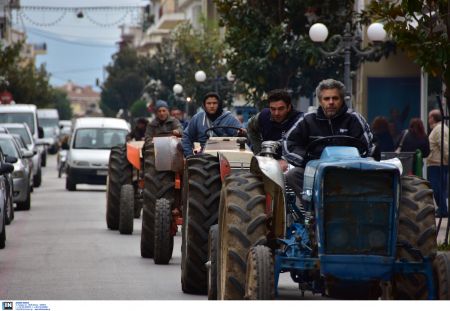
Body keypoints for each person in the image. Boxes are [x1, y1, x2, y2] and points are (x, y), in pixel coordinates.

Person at [282, 78, 375, 200]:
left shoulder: (354, 119)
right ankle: (313, 209)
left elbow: (367, 147)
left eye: (335, 98)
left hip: (350, 172)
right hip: (315, 172)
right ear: (320, 101)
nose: (331, 102)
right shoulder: (307, 120)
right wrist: (306, 160)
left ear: (342, 100)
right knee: (292, 175)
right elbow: (289, 143)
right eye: (326, 99)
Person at [247, 89, 302, 170]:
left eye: (281, 109)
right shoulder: (263, 116)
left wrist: (288, 161)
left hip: (292, 166)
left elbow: (305, 148)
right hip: (267, 163)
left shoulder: (301, 121)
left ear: (289, 107)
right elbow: (250, 126)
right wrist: (258, 151)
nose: (276, 113)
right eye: (273, 109)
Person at [181, 92, 245, 157]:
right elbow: (186, 137)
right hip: (204, 157)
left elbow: (241, 133)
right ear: (204, 105)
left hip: (227, 154)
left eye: (214, 103)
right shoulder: (197, 118)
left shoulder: (229, 118)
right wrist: (189, 156)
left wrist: (241, 133)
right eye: (208, 103)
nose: (211, 106)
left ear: (219, 104)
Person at [426, 109, 448, 218]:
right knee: (438, 188)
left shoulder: (439, 129)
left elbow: (444, 146)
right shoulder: (438, 128)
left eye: (429, 117)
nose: (428, 119)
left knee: (437, 188)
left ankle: (443, 210)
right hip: (437, 163)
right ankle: (442, 209)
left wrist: (446, 160)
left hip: (437, 164)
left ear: (433, 118)